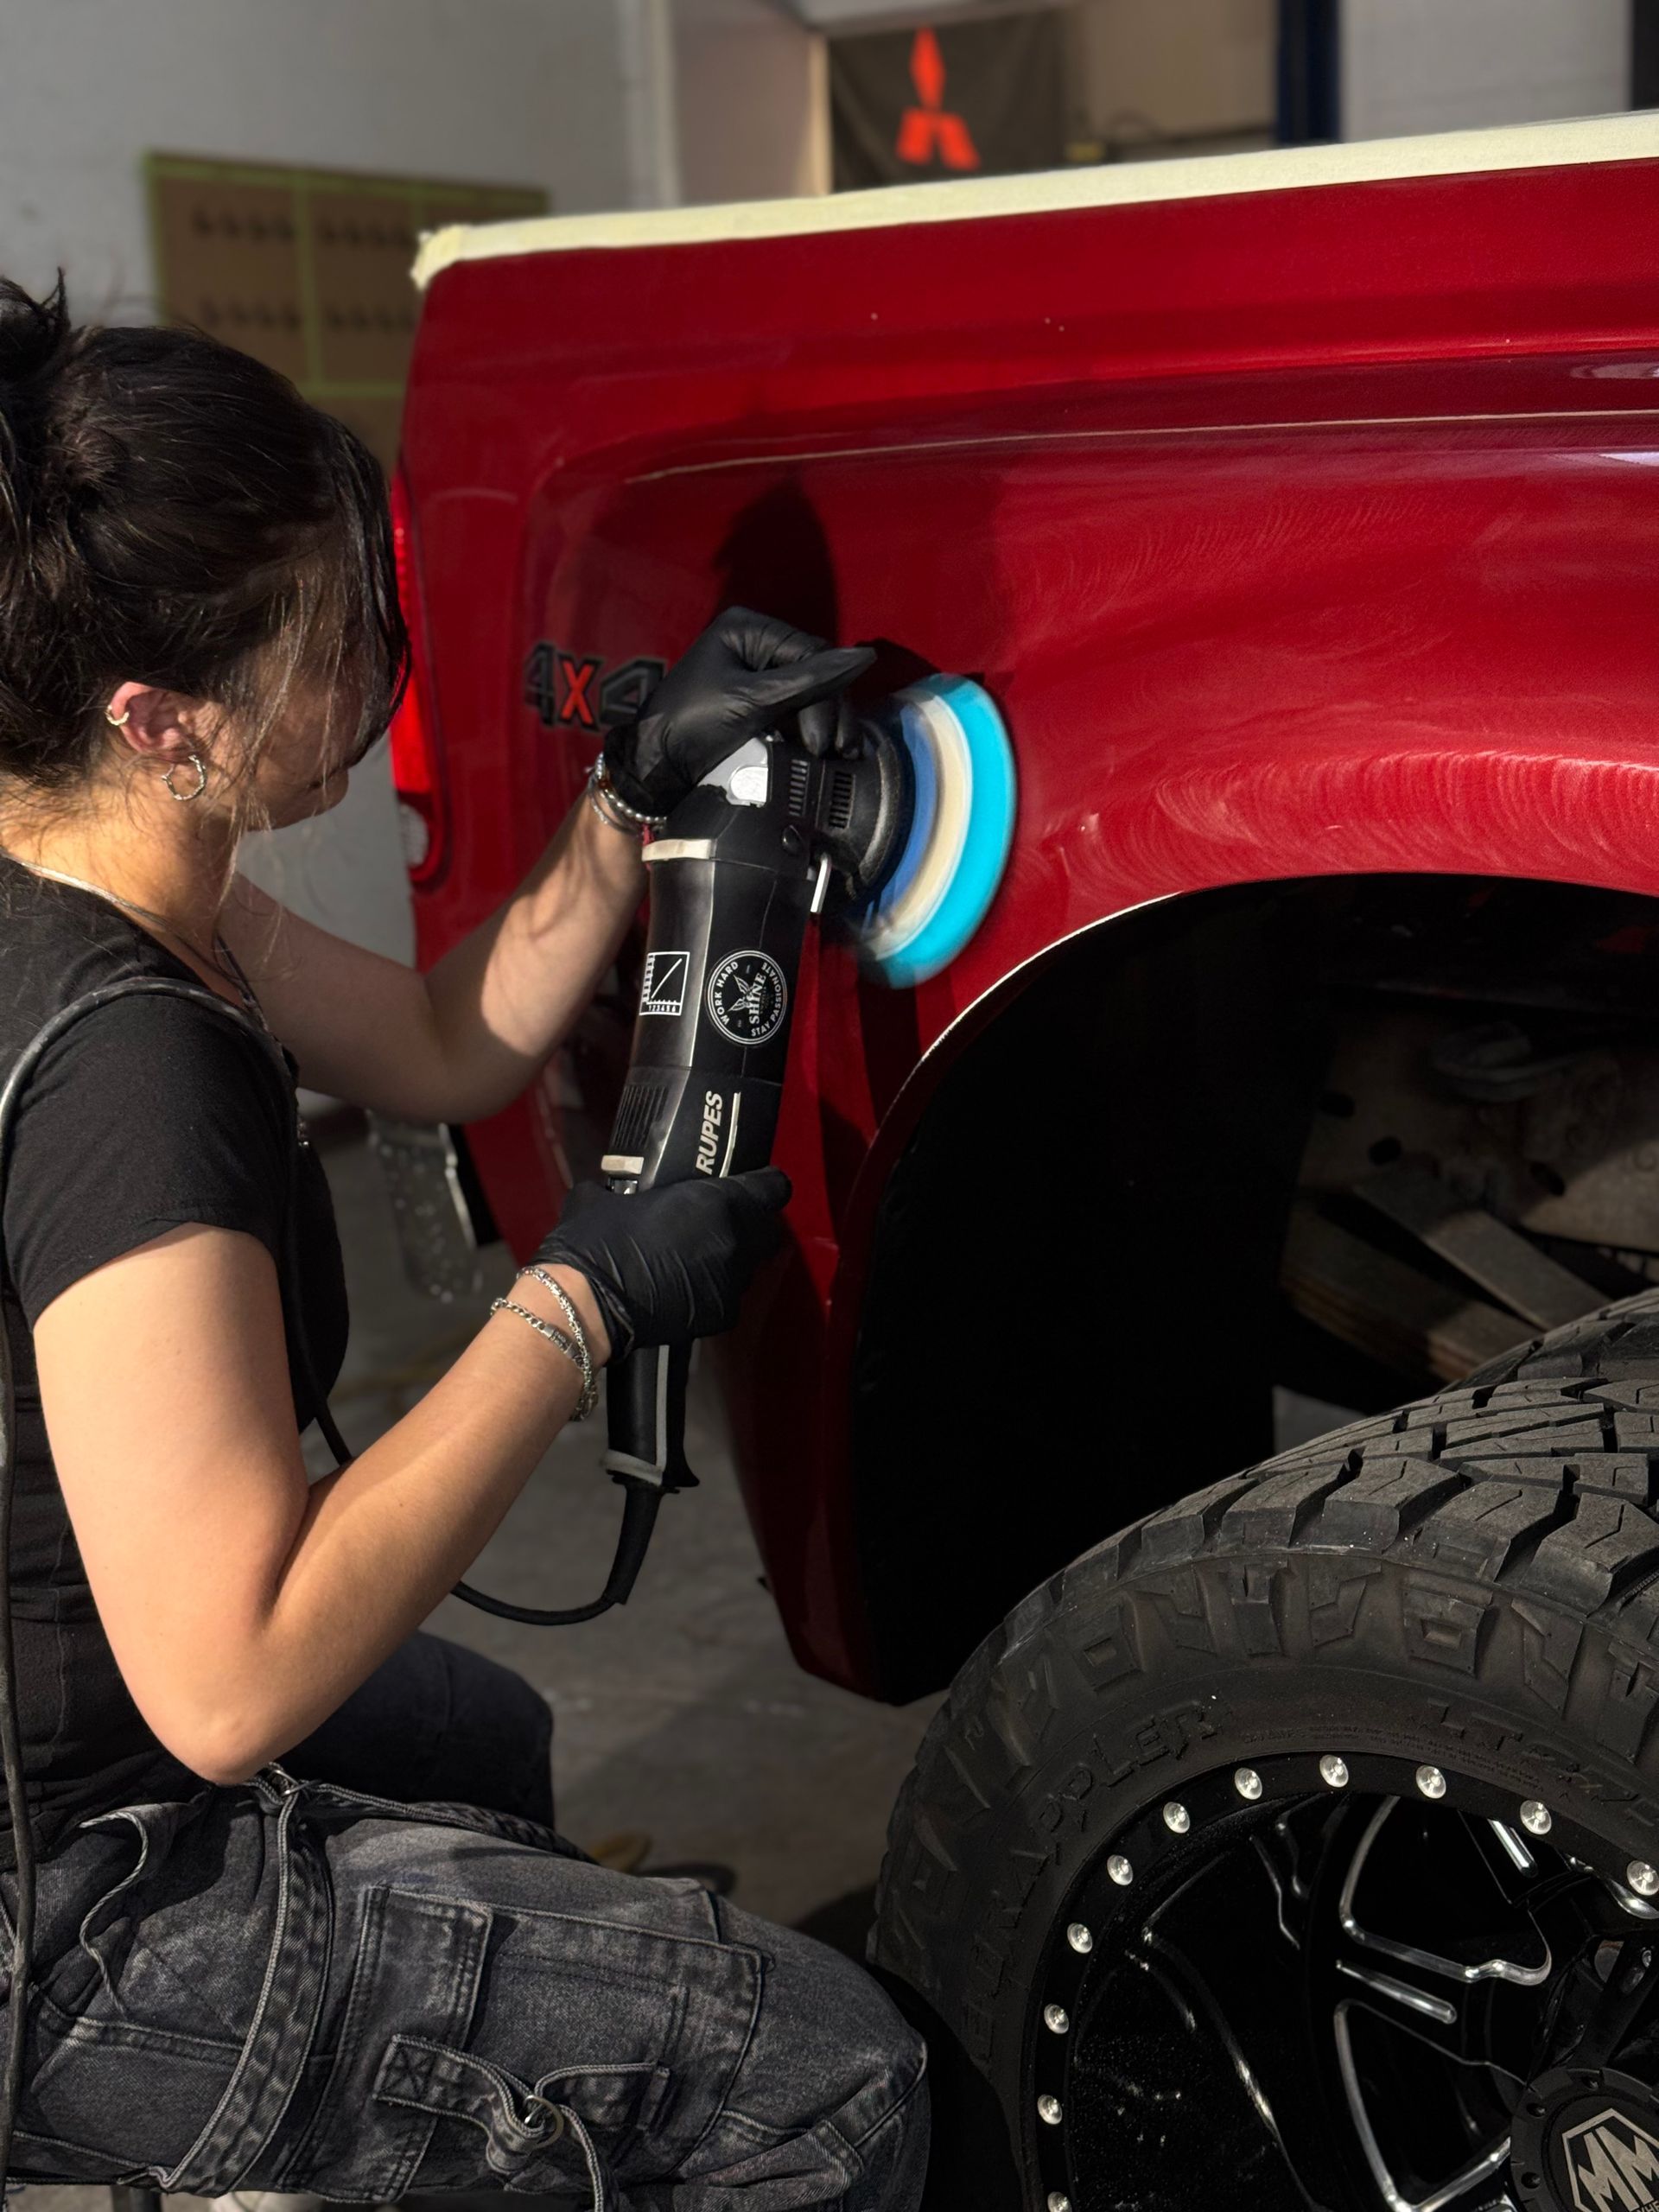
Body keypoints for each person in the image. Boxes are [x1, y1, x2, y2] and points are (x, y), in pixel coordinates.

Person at [0, 276, 927, 2208]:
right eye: (338, 643)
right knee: (831, 2073)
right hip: (70, 1914)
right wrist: (573, 1305)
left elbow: (443, 1044)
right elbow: (231, 1676)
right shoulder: (127, 1070)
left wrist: (628, 798)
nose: (384, 678)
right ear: (162, 718)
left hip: (55, 1729)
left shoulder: (111, 866)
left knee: (471, 1724)